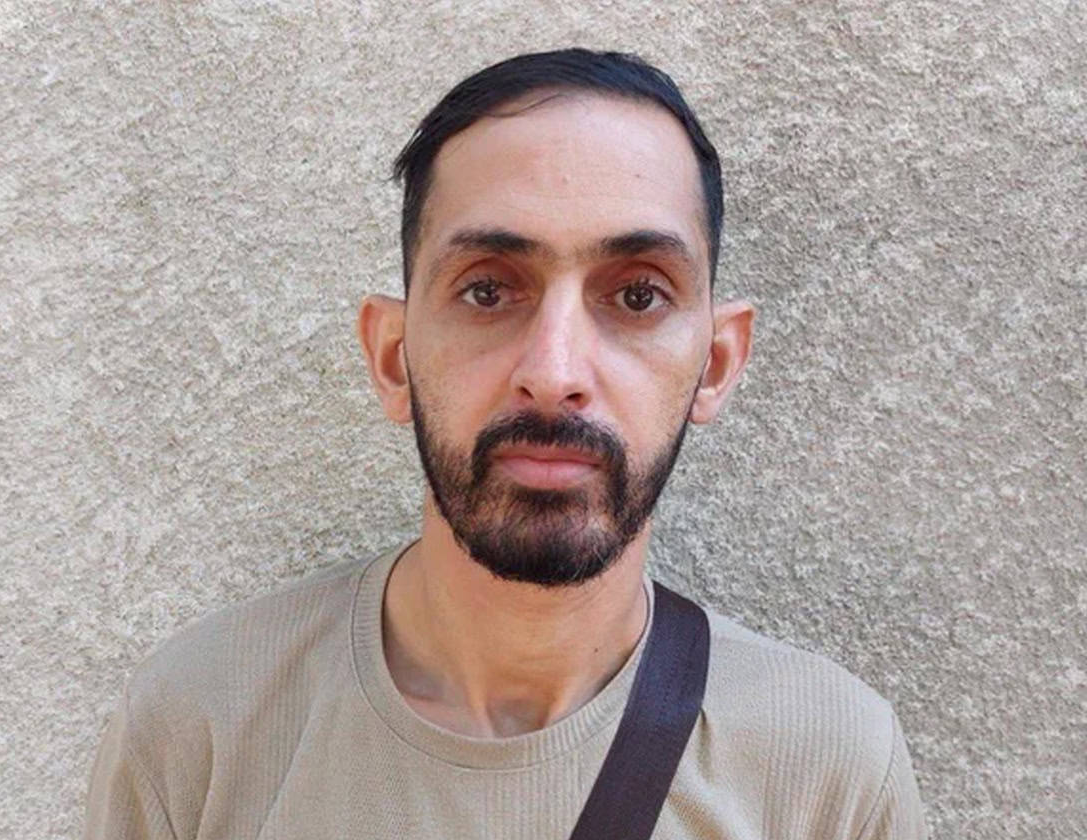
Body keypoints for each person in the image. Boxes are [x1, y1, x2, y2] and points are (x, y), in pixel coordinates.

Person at [83, 48, 926, 839]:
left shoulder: (827, 769)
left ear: (715, 363)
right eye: (488, 290)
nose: (554, 373)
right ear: (392, 357)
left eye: (637, 296)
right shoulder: (202, 723)